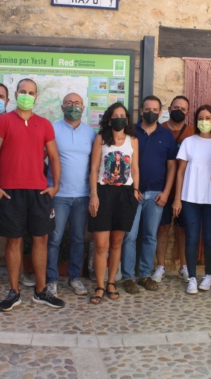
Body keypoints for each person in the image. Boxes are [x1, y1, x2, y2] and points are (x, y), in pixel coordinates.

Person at [0, 78, 64, 311]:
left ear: (36, 97)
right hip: (10, 192)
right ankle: (14, 292)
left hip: (39, 192)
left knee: (41, 240)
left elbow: (55, 157)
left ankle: (41, 292)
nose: (26, 95)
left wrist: (56, 185)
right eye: (22, 91)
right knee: (13, 241)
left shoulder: (45, 124)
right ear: (15, 94)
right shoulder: (2, 122)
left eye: (31, 92)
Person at [0, 83, 36, 288]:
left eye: (0, 96)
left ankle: (20, 272)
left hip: (10, 186)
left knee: (16, 231)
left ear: (7, 100)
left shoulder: (14, 120)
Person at [121, 95, 177, 293]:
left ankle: (144, 274)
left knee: (150, 236)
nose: (151, 112)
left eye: (155, 109)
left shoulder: (167, 135)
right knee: (130, 236)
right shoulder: (130, 132)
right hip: (133, 192)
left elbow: (172, 168)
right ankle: (128, 277)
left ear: (160, 113)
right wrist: (132, 189)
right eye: (147, 109)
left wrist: (166, 192)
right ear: (141, 111)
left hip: (156, 194)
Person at [88, 103, 139, 304]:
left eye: (123, 115)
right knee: (101, 244)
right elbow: (93, 169)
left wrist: (135, 190)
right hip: (103, 193)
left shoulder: (133, 140)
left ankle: (111, 282)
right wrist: (94, 194)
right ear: (109, 119)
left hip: (125, 194)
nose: (119, 118)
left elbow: (135, 168)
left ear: (127, 119)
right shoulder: (101, 139)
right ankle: (100, 285)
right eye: (115, 115)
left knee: (117, 242)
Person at [45, 93, 96, 297]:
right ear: (61, 107)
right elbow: (41, 158)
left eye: (77, 103)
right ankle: (51, 280)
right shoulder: (52, 129)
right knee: (54, 239)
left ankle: (74, 278)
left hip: (82, 196)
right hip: (58, 195)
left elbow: (94, 165)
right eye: (68, 103)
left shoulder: (91, 133)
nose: (73, 106)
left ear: (83, 108)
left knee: (77, 239)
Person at [173, 105, 211, 294]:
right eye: (201, 118)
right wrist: (177, 198)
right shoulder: (189, 141)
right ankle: (192, 278)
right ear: (196, 121)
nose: (204, 121)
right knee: (191, 239)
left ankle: (208, 276)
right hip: (190, 198)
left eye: (208, 118)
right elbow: (180, 172)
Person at [153, 95, 194, 283]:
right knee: (162, 228)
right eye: (175, 107)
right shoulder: (159, 130)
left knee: (183, 230)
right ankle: (160, 266)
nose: (179, 110)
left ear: (188, 112)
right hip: (162, 189)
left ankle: (184, 267)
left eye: (183, 108)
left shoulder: (193, 133)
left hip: (187, 191)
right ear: (169, 109)